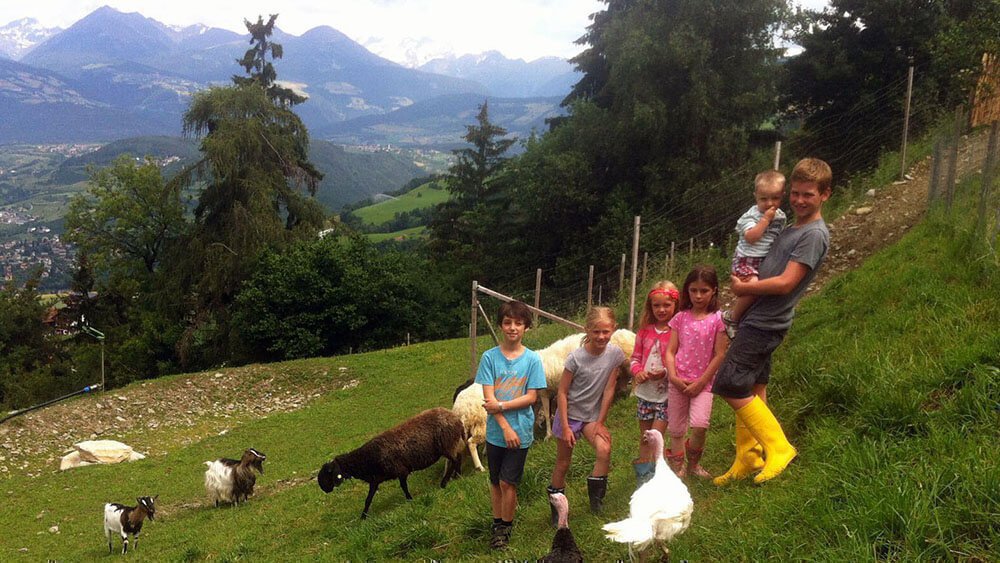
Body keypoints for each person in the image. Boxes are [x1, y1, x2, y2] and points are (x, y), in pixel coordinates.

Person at [713, 158, 832, 485]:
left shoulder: (814, 235)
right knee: (753, 385)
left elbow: (786, 283)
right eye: (794, 193)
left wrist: (745, 288)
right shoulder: (789, 227)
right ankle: (748, 456)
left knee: (728, 383)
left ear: (825, 194)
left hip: (767, 321)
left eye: (808, 194)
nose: (799, 200)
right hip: (755, 314)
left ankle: (779, 447)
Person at [476, 300, 546, 549]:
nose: (512, 327)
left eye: (518, 323)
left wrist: (503, 408)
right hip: (496, 432)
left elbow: (532, 397)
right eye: (507, 322)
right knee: (495, 481)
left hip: (522, 430)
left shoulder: (532, 360)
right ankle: (497, 522)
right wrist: (504, 426)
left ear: (526, 327)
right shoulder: (489, 358)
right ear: (500, 325)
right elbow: (489, 397)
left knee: (508, 482)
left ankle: (506, 527)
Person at [547, 306, 626, 520]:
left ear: (613, 330)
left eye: (606, 332)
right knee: (563, 463)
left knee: (604, 449)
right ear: (587, 330)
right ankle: (557, 509)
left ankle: (596, 503)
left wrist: (600, 421)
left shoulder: (615, 355)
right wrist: (564, 426)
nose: (601, 337)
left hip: (591, 418)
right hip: (569, 416)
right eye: (596, 332)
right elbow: (562, 392)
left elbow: (610, 389)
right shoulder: (576, 358)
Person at [664, 265, 729, 478]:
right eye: (694, 290)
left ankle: (693, 464)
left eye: (704, 291)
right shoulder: (680, 318)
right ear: (687, 291)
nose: (698, 296)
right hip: (678, 380)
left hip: (704, 383)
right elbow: (671, 351)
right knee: (676, 428)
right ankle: (678, 469)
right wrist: (673, 376)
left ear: (714, 291)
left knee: (700, 425)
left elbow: (720, 353)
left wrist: (702, 382)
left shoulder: (718, 319)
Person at [724, 169, 787, 337]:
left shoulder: (781, 217)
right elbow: (751, 237)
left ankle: (747, 317)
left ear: (782, 196)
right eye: (764, 199)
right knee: (752, 289)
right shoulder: (750, 216)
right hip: (746, 259)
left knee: (762, 291)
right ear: (755, 196)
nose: (769, 203)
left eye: (775, 198)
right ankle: (732, 317)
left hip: (765, 259)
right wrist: (765, 220)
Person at [628, 281, 679, 485]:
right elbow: (634, 358)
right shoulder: (644, 331)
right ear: (650, 306)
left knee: (656, 435)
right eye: (656, 305)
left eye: (666, 305)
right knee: (645, 436)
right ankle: (644, 476)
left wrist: (666, 372)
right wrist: (638, 372)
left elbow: (679, 360)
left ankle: (659, 475)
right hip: (645, 393)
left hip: (666, 393)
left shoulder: (676, 331)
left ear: (675, 305)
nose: (661, 310)